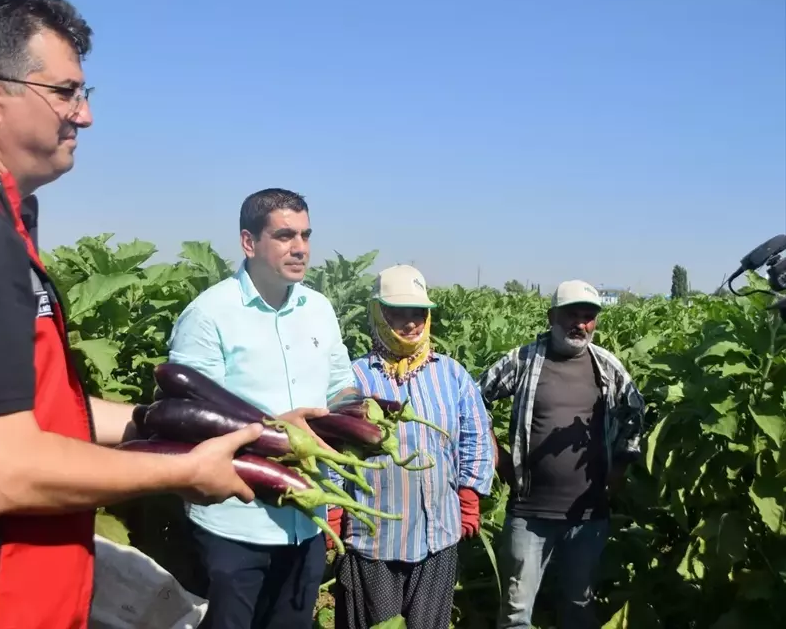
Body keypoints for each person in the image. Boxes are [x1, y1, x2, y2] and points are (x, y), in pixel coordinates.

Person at [0, 0, 263, 628]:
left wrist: (212, 428)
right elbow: (2, 470)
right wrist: (182, 471)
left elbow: (34, 407)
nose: (85, 115)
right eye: (66, 92)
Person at [166, 188, 359, 629]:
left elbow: (340, 387)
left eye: (306, 235)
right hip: (235, 524)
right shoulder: (210, 315)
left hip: (306, 520)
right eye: (285, 235)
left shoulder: (319, 310)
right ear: (249, 243)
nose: (301, 248)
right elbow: (185, 421)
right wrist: (274, 431)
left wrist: (356, 419)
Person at [327, 264, 497, 629]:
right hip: (374, 539)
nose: (411, 323)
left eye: (419, 313)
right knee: (376, 624)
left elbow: (477, 435)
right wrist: (332, 509)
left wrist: (469, 493)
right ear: (378, 313)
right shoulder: (353, 378)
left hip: (439, 534)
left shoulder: (451, 374)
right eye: (398, 313)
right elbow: (332, 448)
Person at [478, 280, 646, 629]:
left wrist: (620, 470)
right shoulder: (524, 360)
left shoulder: (607, 367)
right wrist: (498, 454)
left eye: (589, 317)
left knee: (578, 606)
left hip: (588, 514)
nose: (581, 324)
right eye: (573, 314)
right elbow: (473, 398)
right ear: (551, 315)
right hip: (529, 511)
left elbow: (634, 413)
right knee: (516, 611)